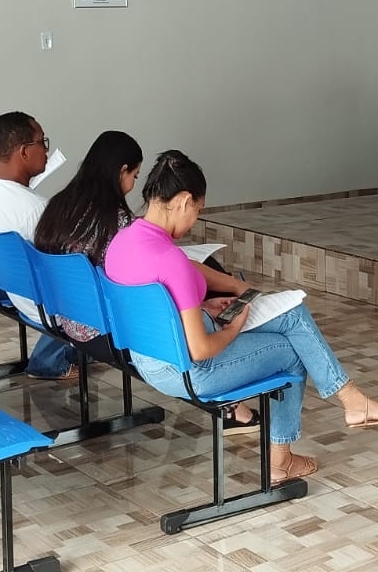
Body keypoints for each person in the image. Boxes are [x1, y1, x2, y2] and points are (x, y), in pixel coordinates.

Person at [104, 150, 378, 480]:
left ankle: (352, 400)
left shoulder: (123, 241)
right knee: (292, 350)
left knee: (292, 314)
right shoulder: (170, 260)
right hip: (188, 370)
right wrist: (234, 325)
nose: (195, 220)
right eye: (198, 210)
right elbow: (200, 349)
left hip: (146, 358)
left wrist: (212, 302)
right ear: (183, 201)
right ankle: (283, 459)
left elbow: (162, 297)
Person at [32, 131, 260, 434]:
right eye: (134, 176)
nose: (132, 185)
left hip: (66, 318)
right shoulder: (116, 222)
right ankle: (231, 398)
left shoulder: (59, 205)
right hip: (106, 330)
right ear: (121, 171)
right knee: (199, 276)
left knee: (187, 274)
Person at [0, 112, 77, 381]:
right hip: (47, 308)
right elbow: (69, 270)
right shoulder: (36, 210)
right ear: (24, 151)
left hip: (18, 295)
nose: (47, 150)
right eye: (42, 142)